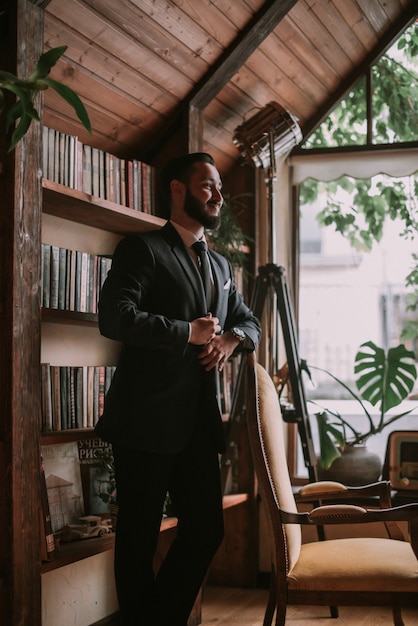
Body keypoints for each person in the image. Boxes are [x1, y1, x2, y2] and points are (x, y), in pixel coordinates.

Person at [95, 152, 261, 626]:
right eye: (207, 185)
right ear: (177, 189)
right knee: (138, 539)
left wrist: (231, 339)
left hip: (198, 425)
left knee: (206, 532)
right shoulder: (142, 249)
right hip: (144, 422)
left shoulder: (223, 266)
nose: (217, 194)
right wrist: (185, 333)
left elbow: (249, 322)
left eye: (219, 187)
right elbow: (115, 318)